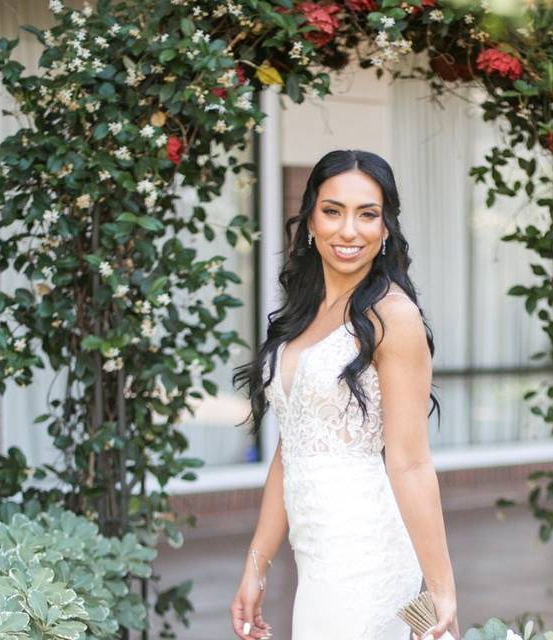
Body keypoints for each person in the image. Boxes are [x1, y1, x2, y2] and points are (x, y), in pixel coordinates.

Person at [230, 149, 460, 640]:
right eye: (333, 211)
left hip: (366, 550)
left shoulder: (392, 316)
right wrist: (257, 564)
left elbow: (411, 463)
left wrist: (441, 589)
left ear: (385, 228)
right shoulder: (304, 312)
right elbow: (293, 447)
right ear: (311, 219)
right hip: (315, 552)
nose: (349, 230)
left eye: (367, 214)